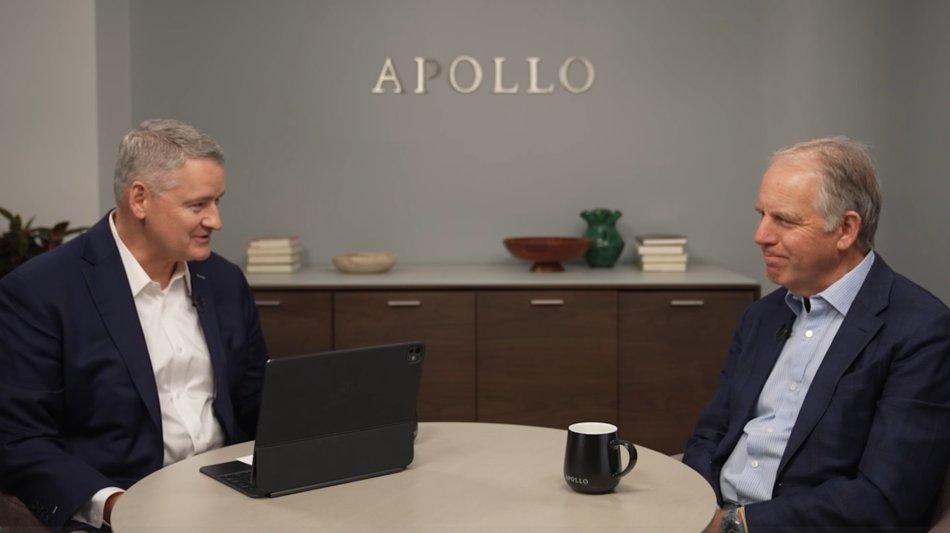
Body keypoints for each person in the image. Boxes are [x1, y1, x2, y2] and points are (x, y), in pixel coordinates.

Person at [0, 119, 269, 531]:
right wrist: (116, 506)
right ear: (140, 199)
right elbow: (21, 439)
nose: (215, 221)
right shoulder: (39, 292)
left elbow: (255, 400)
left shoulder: (224, 280)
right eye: (198, 205)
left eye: (217, 202)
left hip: (231, 498)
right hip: (122, 504)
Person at [684, 136, 950, 532]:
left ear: (845, 229)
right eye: (762, 214)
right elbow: (710, 435)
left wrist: (734, 524)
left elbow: (885, 499)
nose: (761, 235)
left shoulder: (921, 331)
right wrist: (690, 507)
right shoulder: (761, 316)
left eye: (784, 220)